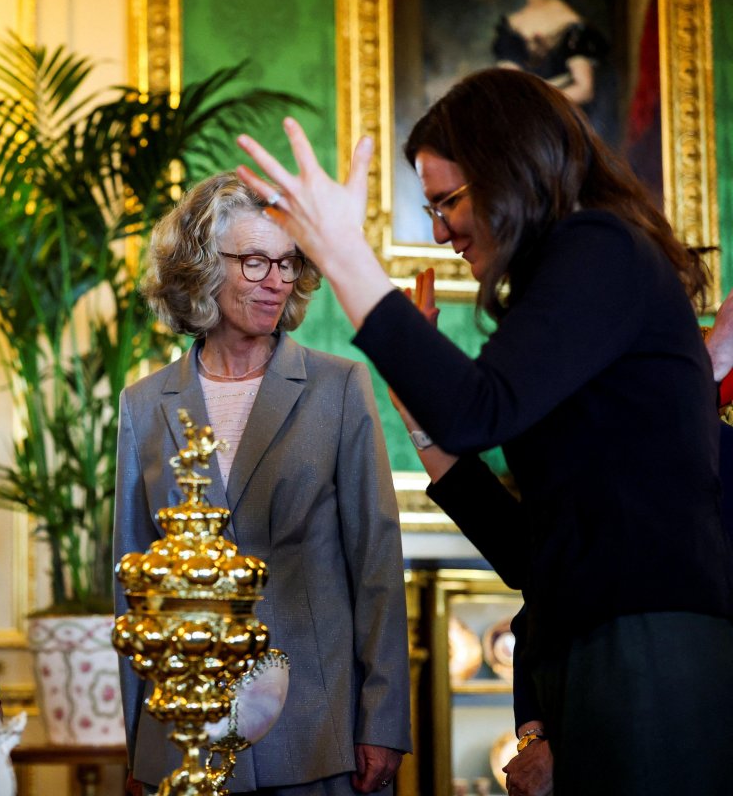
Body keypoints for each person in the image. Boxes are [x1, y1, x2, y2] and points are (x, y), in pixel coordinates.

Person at [235, 67, 733, 795]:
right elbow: (529, 553)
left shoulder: (603, 246)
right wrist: (420, 413)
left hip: (647, 646)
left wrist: (347, 255)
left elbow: (476, 406)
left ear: (513, 169)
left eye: (448, 202)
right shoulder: (579, 271)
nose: (438, 231)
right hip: (595, 649)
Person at [113, 172, 411, 796]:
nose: (277, 280)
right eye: (254, 262)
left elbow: (376, 564)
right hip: (185, 736)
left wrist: (383, 720)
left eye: (287, 261)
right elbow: (134, 591)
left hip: (317, 731)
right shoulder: (144, 404)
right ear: (200, 267)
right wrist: (142, 740)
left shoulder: (340, 387)